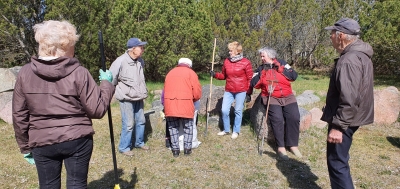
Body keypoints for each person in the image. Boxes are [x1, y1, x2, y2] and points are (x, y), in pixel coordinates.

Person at [12, 20, 115, 189]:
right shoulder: (79, 72)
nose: (75, 49)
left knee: (48, 185)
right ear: (65, 46)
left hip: (42, 141)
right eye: (73, 44)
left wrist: (25, 146)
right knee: (76, 184)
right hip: (77, 139)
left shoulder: (25, 73)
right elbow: (97, 109)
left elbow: (19, 114)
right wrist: (106, 84)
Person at [322, 18, 374, 189]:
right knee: (339, 161)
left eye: (332, 33)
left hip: (345, 120)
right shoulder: (360, 55)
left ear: (341, 35)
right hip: (352, 118)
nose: (330, 37)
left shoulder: (349, 60)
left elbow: (349, 98)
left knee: (337, 163)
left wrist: (338, 126)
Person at [249, 47, 301, 160]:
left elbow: (293, 76)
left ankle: (293, 145)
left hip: (287, 96)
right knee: (277, 119)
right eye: (261, 56)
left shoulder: (282, 63)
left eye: (263, 56)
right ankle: (281, 147)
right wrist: (263, 72)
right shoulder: (260, 68)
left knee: (294, 117)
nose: (262, 58)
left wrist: (281, 69)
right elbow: (253, 83)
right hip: (271, 96)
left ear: (271, 55)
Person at [109, 37, 149, 156]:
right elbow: (111, 79)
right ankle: (124, 147)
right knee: (128, 123)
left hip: (139, 97)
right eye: (140, 47)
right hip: (126, 98)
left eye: (143, 47)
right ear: (132, 49)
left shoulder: (140, 61)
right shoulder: (120, 61)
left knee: (141, 121)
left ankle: (139, 142)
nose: (142, 49)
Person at [210, 41, 253, 139]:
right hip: (229, 90)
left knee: (238, 111)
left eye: (231, 50)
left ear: (237, 51)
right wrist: (215, 75)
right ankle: (226, 130)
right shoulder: (226, 61)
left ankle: (236, 131)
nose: (229, 52)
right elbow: (224, 76)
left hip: (241, 90)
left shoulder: (246, 62)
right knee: (224, 110)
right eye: (229, 50)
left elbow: (250, 78)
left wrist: (249, 92)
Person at [163, 58, 202, 157]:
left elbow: (164, 90)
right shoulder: (191, 73)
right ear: (189, 65)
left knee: (173, 127)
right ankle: (187, 149)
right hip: (186, 103)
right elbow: (197, 92)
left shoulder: (170, 73)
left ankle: (175, 150)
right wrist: (193, 99)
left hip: (170, 103)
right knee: (188, 127)